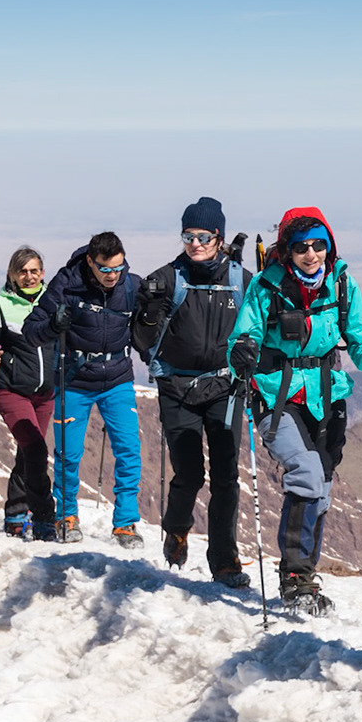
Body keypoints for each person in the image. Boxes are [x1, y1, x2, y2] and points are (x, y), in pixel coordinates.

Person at [227, 207, 362, 615]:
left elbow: (361, 348)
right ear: (287, 251)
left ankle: (304, 578)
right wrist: (242, 353)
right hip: (276, 395)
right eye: (301, 247)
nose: (311, 254)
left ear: (329, 246)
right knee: (306, 475)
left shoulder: (342, 284)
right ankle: (294, 580)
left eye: (318, 245)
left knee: (321, 487)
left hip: (327, 397)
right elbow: (241, 340)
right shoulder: (265, 288)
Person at [133, 197, 250, 586]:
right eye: (188, 236)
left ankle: (225, 560)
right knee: (189, 472)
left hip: (226, 386)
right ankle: (177, 529)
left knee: (226, 475)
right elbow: (141, 339)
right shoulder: (166, 279)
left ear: (219, 237)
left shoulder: (241, 280)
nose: (194, 244)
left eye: (203, 236)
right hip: (177, 387)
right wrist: (149, 315)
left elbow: (259, 328)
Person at [23, 232, 145, 547]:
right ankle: (66, 516)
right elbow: (30, 331)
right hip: (74, 380)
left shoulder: (131, 286)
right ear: (90, 261)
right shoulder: (67, 285)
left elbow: (150, 328)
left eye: (118, 268)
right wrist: (54, 325)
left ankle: (126, 524)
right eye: (105, 269)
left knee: (129, 449)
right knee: (68, 453)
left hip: (117, 378)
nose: (112, 275)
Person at [0, 246, 57, 540]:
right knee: (35, 450)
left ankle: (16, 513)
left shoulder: (54, 301)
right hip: (12, 390)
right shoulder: (0, 305)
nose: (29, 276)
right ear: (11, 274)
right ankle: (44, 517)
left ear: (43, 273)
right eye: (23, 271)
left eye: (34, 271)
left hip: (45, 393)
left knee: (28, 453)